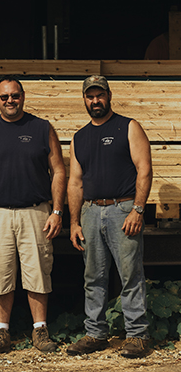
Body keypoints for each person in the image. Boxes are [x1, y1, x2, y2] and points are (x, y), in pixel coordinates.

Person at [0, 76, 67, 354]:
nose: (10, 101)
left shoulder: (41, 128)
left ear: (23, 96)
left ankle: (40, 330)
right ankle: (1, 332)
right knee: (0, 273)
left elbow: (58, 170)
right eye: (4, 96)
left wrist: (57, 210)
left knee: (38, 272)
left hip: (36, 212)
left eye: (15, 96)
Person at [67, 75, 152, 358]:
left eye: (99, 95)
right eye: (90, 96)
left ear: (109, 95)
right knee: (93, 276)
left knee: (130, 274)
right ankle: (95, 333)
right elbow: (75, 182)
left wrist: (138, 209)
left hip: (123, 209)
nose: (95, 101)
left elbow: (144, 169)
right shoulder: (79, 137)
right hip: (90, 212)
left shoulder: (128, 127)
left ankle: (137, 335)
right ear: (84, 100)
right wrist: (74, 221)